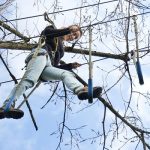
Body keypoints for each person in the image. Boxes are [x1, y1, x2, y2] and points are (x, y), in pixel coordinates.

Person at [0, 24, 102, 119]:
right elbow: (47, 32)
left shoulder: (61, 49)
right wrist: (67, 30)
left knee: (66, 74)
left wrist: (69, 66)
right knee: (29, 80)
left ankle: (81, 90)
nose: (73, 36)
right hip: (41, 55)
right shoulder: (53, 30)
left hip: (47, 66)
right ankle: (6, 107)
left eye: (75, 37)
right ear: (70, 27)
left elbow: (55, 67)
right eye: (74, 33)